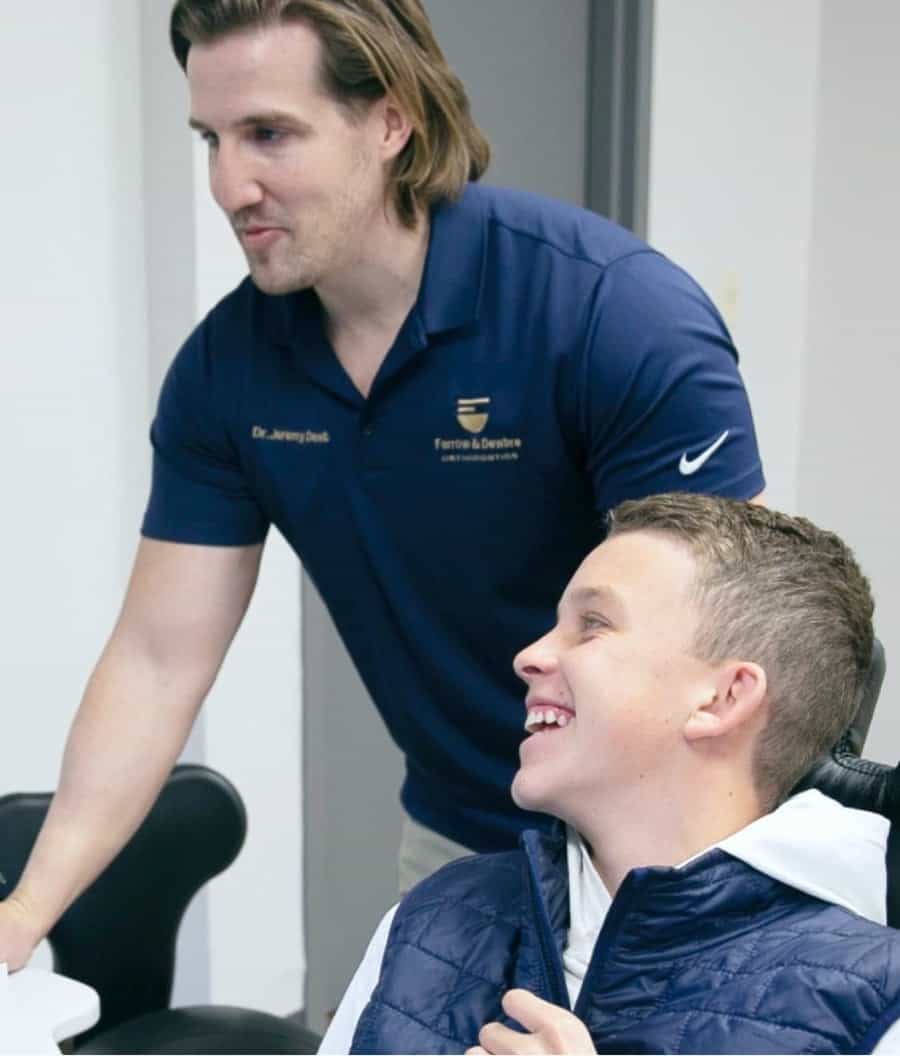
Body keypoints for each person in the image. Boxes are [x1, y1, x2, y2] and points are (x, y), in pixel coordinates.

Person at [0, 0, 764, 969]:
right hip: (458, 833)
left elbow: (721, 637)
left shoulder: (612, 313)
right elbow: (157, 662)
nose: (231, 185)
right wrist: (23, 915)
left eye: (270, 134)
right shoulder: (226, 375)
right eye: (211, 139)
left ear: (390, 121)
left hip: (670, 839)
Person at [320, 493, 900, 1055]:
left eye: (592, 624)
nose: (530, 655)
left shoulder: (878, 1004)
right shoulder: (431, 921)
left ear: (722, 698)